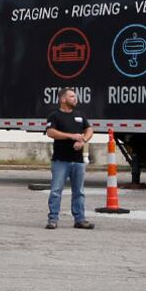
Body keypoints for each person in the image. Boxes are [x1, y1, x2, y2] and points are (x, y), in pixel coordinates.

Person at [44, 89, 95, 230]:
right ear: (63, 99)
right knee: (56, 190)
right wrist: (71, 136)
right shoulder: (54, 116)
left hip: (78, 161)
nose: (75, 98)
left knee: (79, 192)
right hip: (61, 161)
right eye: (72, 96)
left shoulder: (80, 115)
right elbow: (50, 132)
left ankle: (80, 219)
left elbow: (89, 129)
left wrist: (83, 140)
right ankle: (53, 219)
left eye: (75, 96)